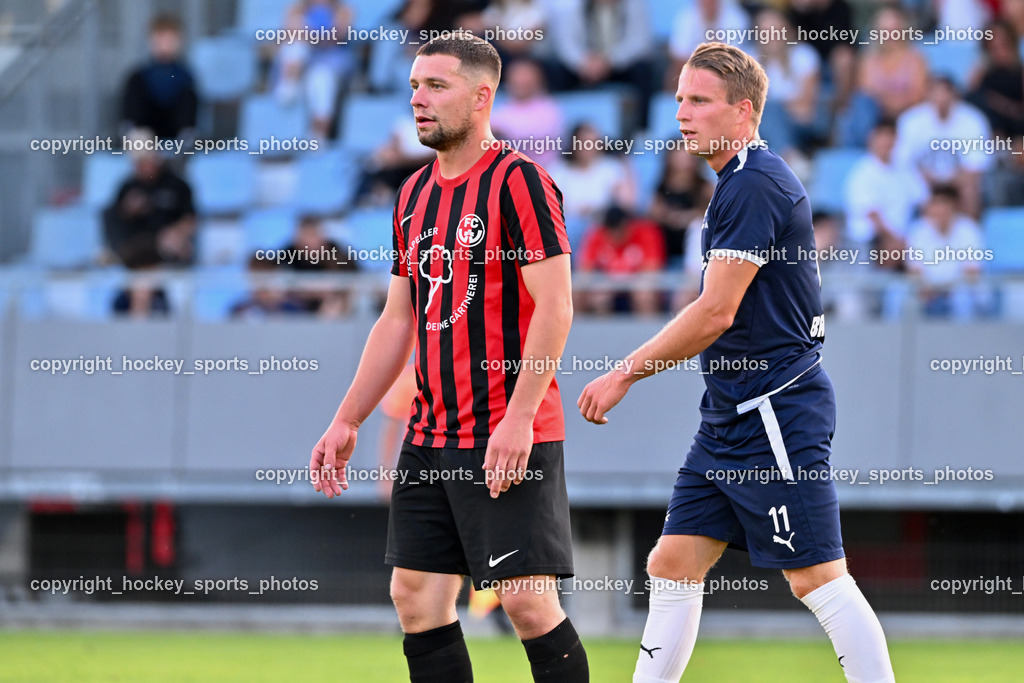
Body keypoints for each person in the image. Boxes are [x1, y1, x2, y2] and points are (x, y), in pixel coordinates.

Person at [577, 42, 895, 683]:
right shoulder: (737, 181)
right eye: (679, 99)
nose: (681, 113)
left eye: (699, 101)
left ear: (744, 111)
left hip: (774, 409)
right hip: (729, 416)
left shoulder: (752, 184)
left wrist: (624, 372)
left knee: (817, 577)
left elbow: (715, 311)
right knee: (672, 563)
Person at [309, 36, 588, 683]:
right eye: (414, 86)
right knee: (415, 596)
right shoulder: (412, 194)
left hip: (504, 430)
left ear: (482, 96)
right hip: (430, 432)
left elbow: (555, 307)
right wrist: (348, 418)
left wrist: (520, 418)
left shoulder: (520, 181)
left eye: (436, 85)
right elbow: (397, 318)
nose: (419, 99)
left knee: (525, 599)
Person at [120, 14, 198, 141]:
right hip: (143, 135)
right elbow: (131, 113)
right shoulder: (139, 77)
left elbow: (188, 117)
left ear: (179, 41)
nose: (165, 46)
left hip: (177, 135)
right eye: (160, 40)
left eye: (170, 41)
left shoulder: (185, 78)